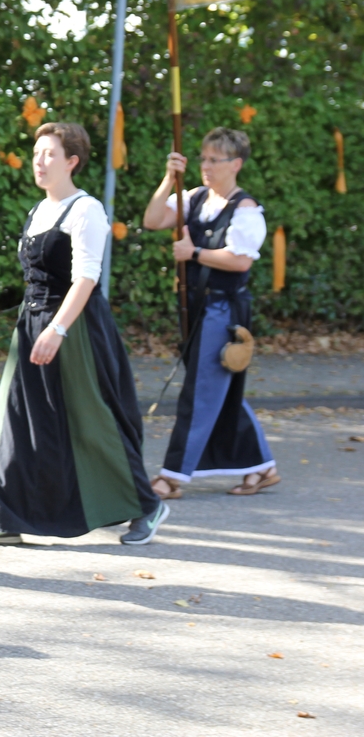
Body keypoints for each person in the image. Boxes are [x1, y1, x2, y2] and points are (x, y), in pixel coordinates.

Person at [0, 122, 168, 547]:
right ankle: (4, 518)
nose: (39, 162)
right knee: (15, 421)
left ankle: (146, 505)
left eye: (50, 154)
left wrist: (57, 329)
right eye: (36, 153)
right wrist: (37, 326)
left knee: (92, 423)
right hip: (32, 324)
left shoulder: (86, 209)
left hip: (75, 331)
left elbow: (87, 278)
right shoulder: (38, 210)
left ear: (72, 161)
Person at [142, 128, 277, 497]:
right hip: (196, 305)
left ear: (236, 164)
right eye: (203, 158)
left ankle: (172, 477)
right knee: (218, 388)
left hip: (223, 309)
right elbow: (153, 220)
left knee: (201, 390)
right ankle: (261, 467)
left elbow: (240, 260)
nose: (205, 165)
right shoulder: (196, 197)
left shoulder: (245, 209)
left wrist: (195, 253)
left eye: (214, 160)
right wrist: (168, 179)